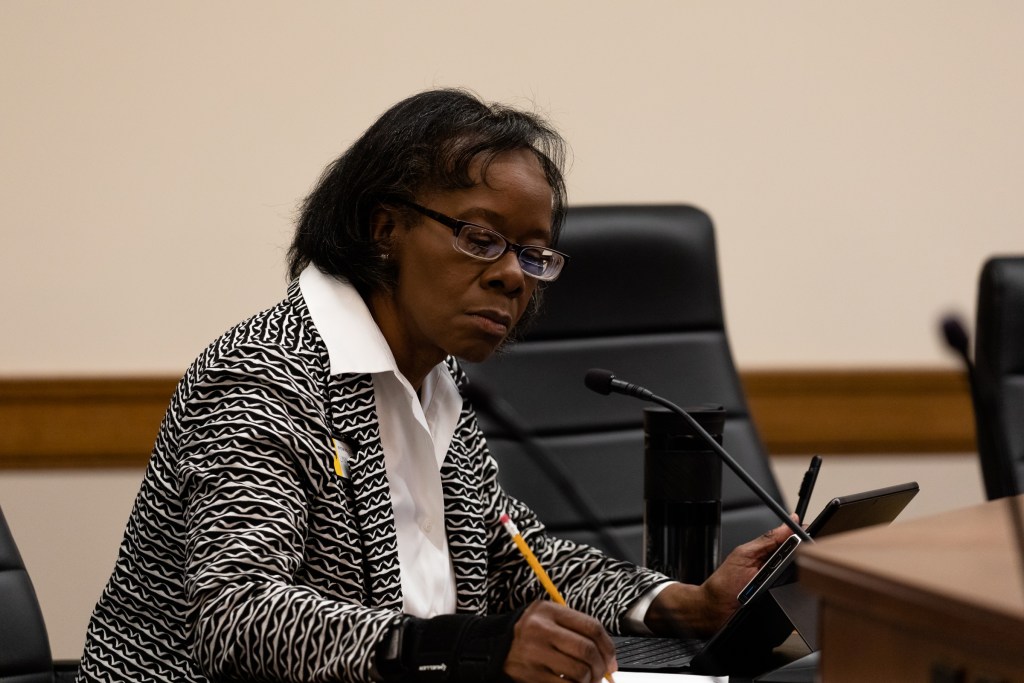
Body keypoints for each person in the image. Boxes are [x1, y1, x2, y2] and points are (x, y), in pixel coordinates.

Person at [76, 88, 792, 683]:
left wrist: (682, 603)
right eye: (480, 239)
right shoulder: (266, 372)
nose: (513, 275)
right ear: (384, 228)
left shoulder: (438, 379)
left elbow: (518, 560)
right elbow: (238, 613)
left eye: (534, 255)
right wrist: (467, 650)